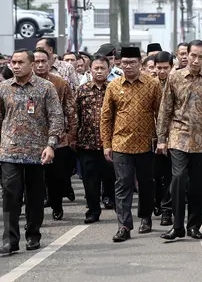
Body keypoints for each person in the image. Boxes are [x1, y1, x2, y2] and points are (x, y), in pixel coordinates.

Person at [0, 49, 64, 255]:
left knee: (35, 195)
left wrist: (51, 144)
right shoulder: (3, 88)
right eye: (13, 62)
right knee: (10, 194)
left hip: (37, 152)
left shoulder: (46, 88)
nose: (16, 66)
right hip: (9, 150)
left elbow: (56, 117)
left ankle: (33, 234)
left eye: (20, 62)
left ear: (31, 64)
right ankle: (9, 239)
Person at [157, 40, 202, 240]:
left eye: (201, 57)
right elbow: (165, 108)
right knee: (178, 177)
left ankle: (194, 225)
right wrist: (161, 138)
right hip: (178, 134)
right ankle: (177, 226)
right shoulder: (174, 77)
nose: (196, 60)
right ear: (185, 55)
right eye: (193, 55)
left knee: (199, 184)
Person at [100, 47, 162, 242]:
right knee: (123, 184)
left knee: (146, 184)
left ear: (140, 64)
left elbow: (160, 114)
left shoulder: (152, 84)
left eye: (132, 62)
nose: (127, 66)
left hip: (146, 143)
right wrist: (106, 143)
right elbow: (106, 116)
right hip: (120, 143)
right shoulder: (113, 85)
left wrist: (162, 139)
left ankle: (145, 217)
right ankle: (124, 225)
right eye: (124, 63)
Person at [33, 48, 77, 221]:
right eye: (37, 61)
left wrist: (72, 134)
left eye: (44, 60)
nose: (41, 64)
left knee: (56, 177)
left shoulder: (59, 83)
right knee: (34, 180)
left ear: (50, 61)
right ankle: (35, 216)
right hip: (31, 140)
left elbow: (71, 110)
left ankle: (56, 204)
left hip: (58, 139)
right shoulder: (21, 84)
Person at [76, 54, 116, 224]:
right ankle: (93, 211)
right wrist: (72, 136)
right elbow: (75, 114)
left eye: (103, 68)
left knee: (111, 177)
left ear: (109, 70)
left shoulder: (115, 88)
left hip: (111, 143)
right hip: (87, 143)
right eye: (96, 68)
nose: (99, 71)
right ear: (90, 70)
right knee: (90, 181)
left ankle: (112, 200)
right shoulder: (82, 90)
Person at [152, 51, 174, 226]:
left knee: (169, 176)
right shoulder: (150, 85)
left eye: (165, 68)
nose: (162, 71)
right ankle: (157, 203)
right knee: (154, 176)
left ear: (171, 67)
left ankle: (167, 210)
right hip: (151, 137)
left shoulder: (176, 84)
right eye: (158, 68)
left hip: (172, 136)